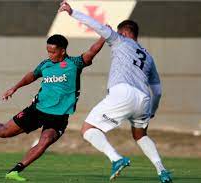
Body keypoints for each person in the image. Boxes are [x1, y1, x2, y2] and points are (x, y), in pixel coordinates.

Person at [59, 1, 172, 183]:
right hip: (144, 99)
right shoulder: (149, 57)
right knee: (140, 135)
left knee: (88, 129)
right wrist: (152, 111)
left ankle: (116, 159)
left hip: (123, 93)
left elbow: (97, 26)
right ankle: (162, 170)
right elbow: (157, 90)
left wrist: (73, 12)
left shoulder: (120, 40)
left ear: (125, 33)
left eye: (119, 33)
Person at [0, 34, 105, 181]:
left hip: (58, 117)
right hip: (37, 110)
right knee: (5, 133)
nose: (50, 55)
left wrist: (105, 36)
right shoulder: (45, 64)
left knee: (45, 140)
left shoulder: (75, 63)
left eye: (53, 52)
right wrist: (14, 88)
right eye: (48, 51)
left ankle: (15, 171)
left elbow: (92, 51)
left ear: (62, 51)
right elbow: (32, 75)